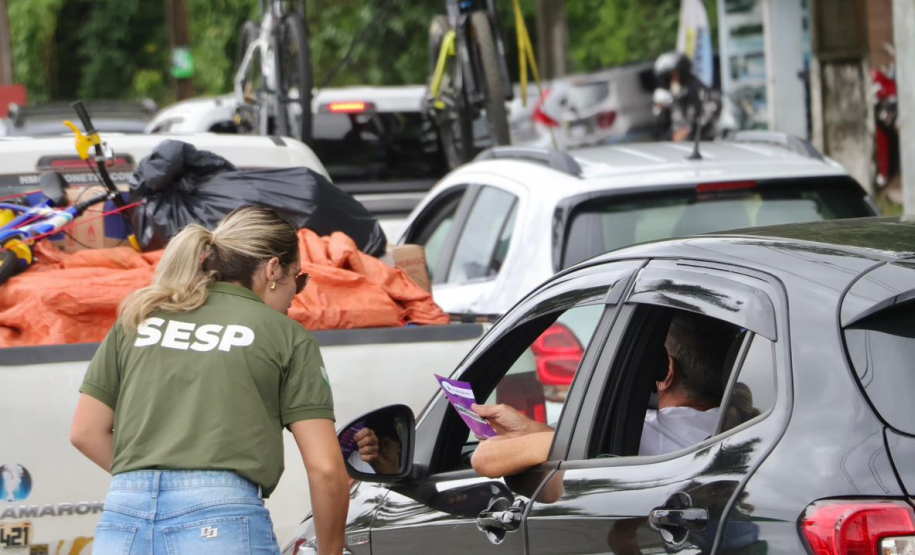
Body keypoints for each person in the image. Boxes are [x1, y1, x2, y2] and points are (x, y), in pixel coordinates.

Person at [70, 206, 349, 555]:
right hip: (220, 522)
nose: (296, 293)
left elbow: (86, 432)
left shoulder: (139, 318)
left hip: (123, 519)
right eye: (299, 278)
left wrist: (155, 486)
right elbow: (325, 468)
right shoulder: (286, 335)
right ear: (273, 269)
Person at [470, 312, 733, 478]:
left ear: (666, 371)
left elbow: (486, 459)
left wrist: (518, 439)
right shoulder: (736, 422)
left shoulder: (643, 431)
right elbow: (576, 443)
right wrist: (529, 429)